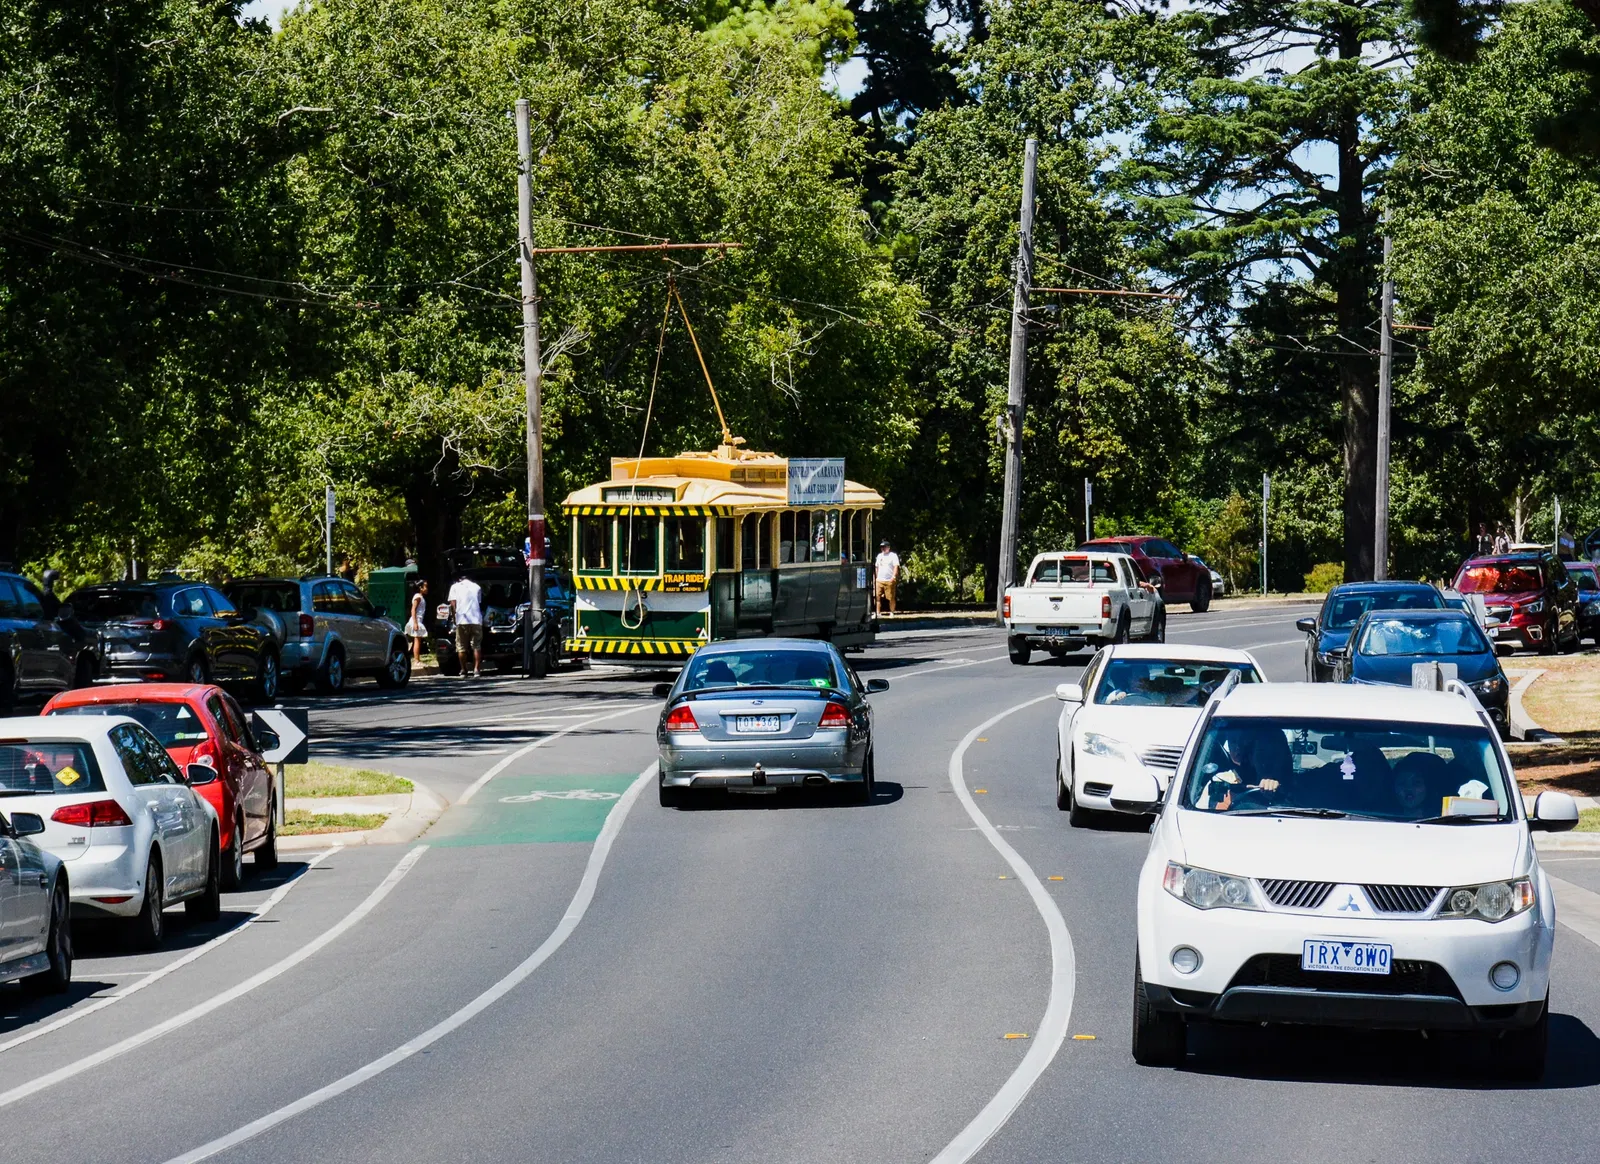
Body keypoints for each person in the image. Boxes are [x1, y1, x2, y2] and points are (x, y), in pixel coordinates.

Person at [447, 572, 485, 678]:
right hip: (476, 620)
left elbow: (453, 604)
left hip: (462, 620)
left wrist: (455, 618)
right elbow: (479, 602)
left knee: (461, 647)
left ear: (460, 579)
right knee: (476, 646)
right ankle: (477, 670)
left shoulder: (455, 587)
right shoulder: (477, 587)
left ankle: (463, 670)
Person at [405, 579, 430, 663]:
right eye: (425, 586)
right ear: (420, 587)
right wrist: (415, 623)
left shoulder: (421, 597)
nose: (427, 588)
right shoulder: (418, 597)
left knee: (417, 639)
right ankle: (416, 660)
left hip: (419, 620)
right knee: (417, 640)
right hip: (416, 620)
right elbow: (413, 610)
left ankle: (416, 658)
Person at [874, 539, 900, 616]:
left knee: (891, 597)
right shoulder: (879, 556)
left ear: (888, 547)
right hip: (880, 580)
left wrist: (893, 577)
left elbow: (896, 566)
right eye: (882, 547)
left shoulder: (893, 555)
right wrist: (876, 577)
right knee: (877, 597)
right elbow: (877, 567)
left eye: (884, 547)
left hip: (889, 580)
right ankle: (878, 613)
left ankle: (892, 612)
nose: (883, 548)